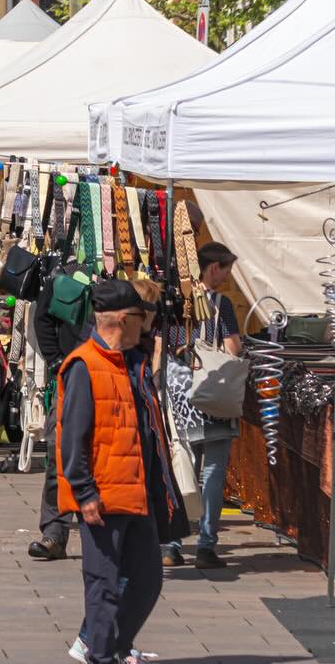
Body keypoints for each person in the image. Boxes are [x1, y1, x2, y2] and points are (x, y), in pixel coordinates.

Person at [57, 278, 184, 664]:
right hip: (102, 496)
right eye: (140, 318)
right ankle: (100, 654)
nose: (145, 325)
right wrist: (84, 493)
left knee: (146, 579)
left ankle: (117, 645)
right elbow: (72, 438)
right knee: (104, 584)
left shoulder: (132, 363)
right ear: (121, 320)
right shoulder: (85, 365)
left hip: (137, 491)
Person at [163, 242, 243, 571]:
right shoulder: (219, 304)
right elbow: (232, 348)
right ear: (213, 268)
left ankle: (172, 543)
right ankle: (206, 546)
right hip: (213, 392)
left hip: (180, 392)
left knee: (183, 465)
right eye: (226, 270)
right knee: (213, 470)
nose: (227, 277)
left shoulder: (173, 300)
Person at [28, 264, 93, 561]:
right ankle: (54, 532)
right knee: (58, 453)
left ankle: (102, 534)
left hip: (111, 377)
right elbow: (41, 319)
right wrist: (55, 361)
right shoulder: (64, 271)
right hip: (70, 378)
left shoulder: (128, 264)